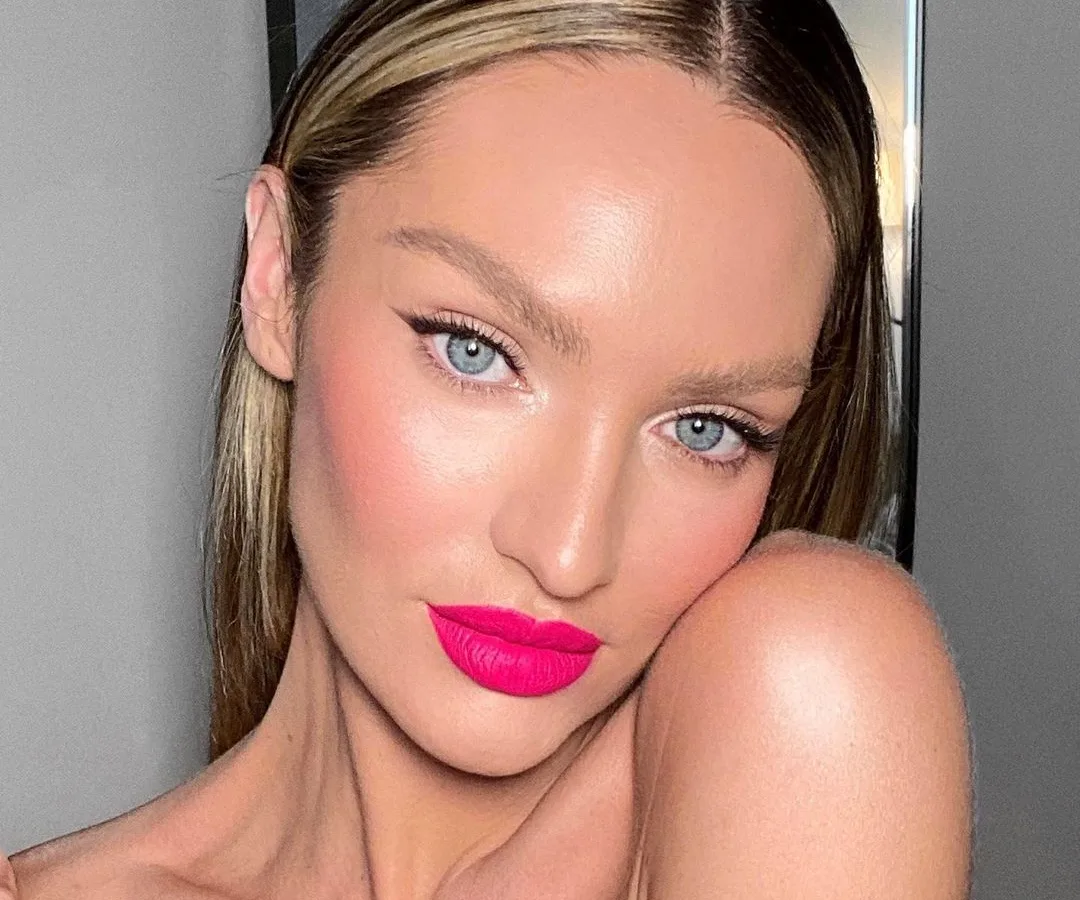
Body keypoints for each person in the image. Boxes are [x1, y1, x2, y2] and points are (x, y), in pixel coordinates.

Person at [3, 0, 972, 896]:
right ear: (278, 279)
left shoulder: (814, 683)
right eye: (476, 352)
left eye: (706, 430)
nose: (568, 552)